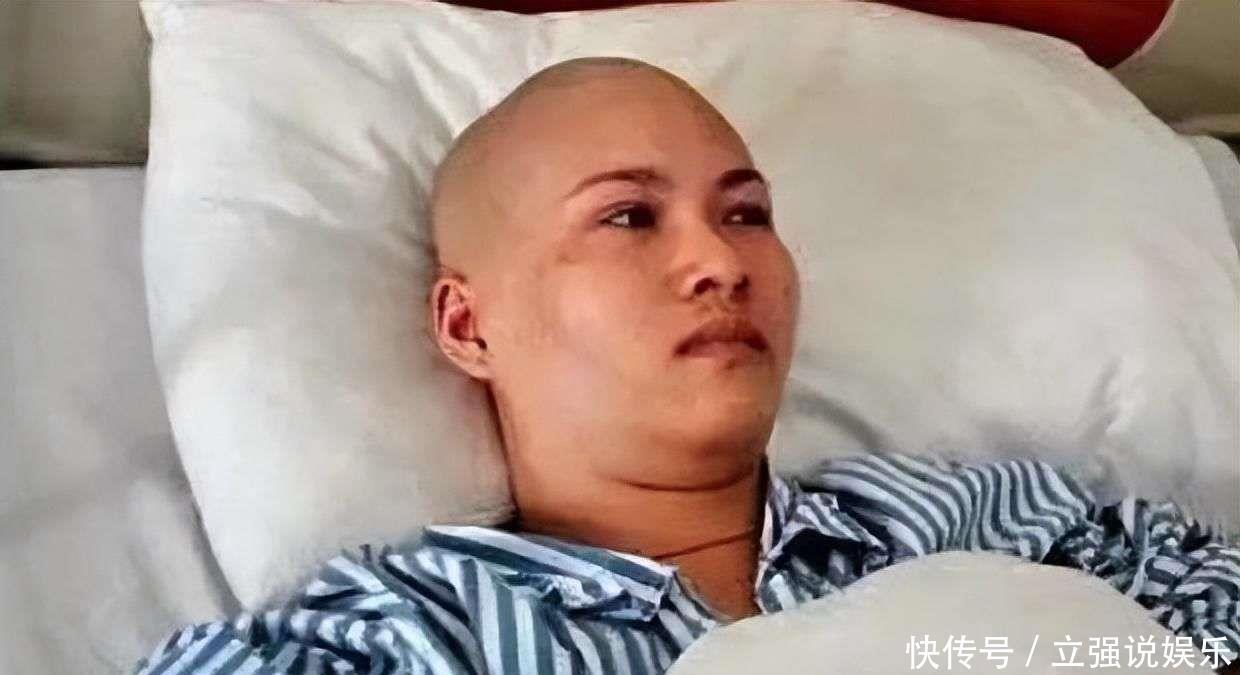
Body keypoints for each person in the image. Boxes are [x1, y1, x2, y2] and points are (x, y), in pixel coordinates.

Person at [132, 57, 1240, 675]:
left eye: (747, 213)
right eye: (627, 216)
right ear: (468, 325)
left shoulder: (994, 521)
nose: (720, 260)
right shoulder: (399, 635)